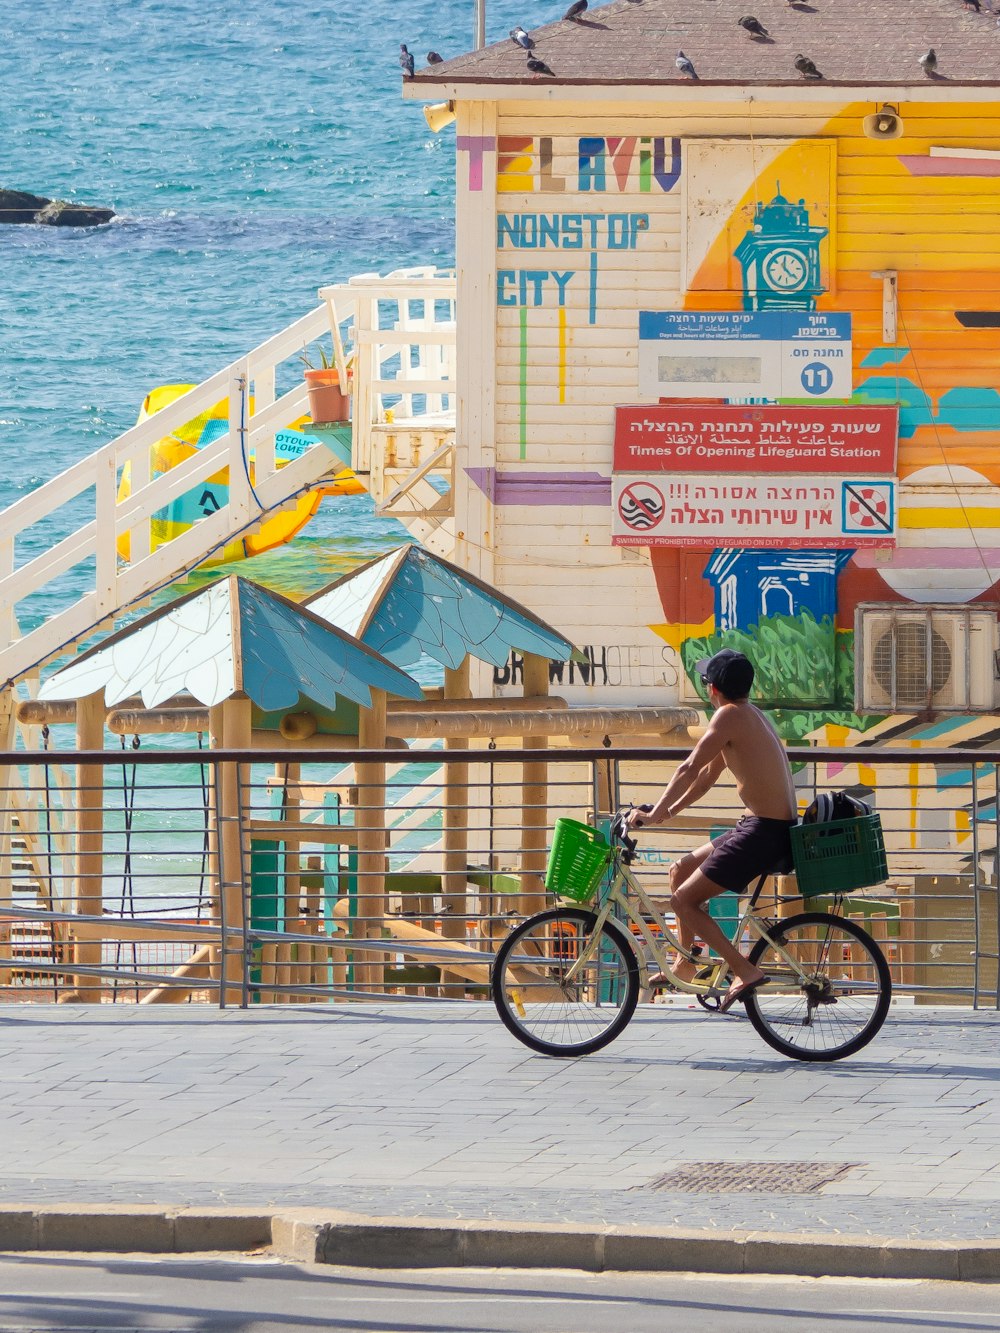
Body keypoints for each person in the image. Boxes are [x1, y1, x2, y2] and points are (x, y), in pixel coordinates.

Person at [625, 648, 797, 1012]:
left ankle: (743, 970)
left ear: (713, 688)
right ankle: (686, 960)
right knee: (679, 870)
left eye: (705, 681)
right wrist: (665, 812)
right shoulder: (748, 715)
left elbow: (688, 767)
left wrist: (653, 813)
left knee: (683, 900)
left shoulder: (728, 717)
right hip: (759, 825)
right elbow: (704, 779)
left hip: (764, 832)